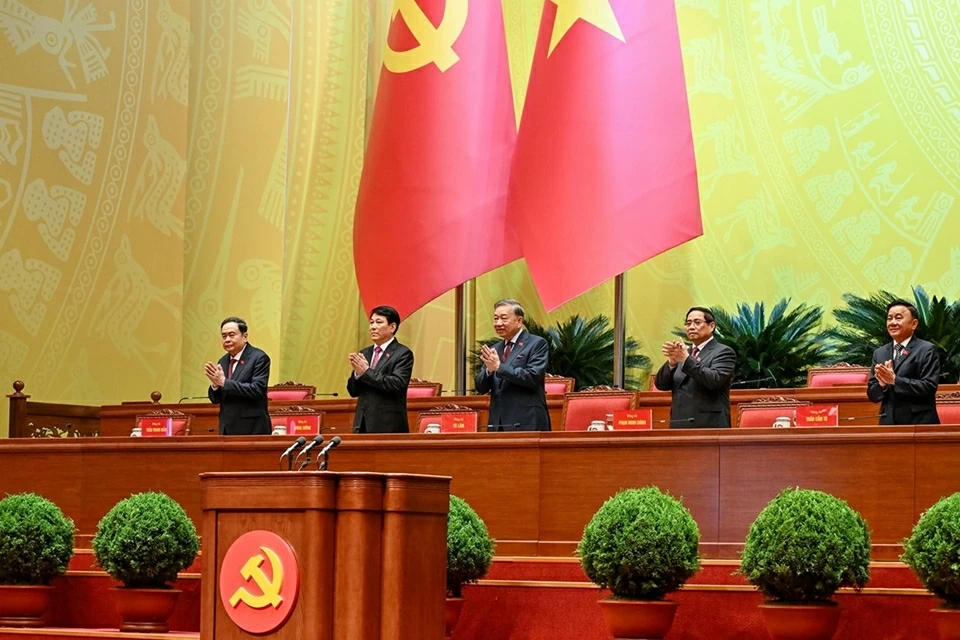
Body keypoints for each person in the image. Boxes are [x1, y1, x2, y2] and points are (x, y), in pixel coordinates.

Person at [474, 299, 551, 431]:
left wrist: (499, 367)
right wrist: (489, 371)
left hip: (527, 421)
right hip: (497, 423)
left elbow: (532, 377)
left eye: (504, 318)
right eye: (495, 318)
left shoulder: (537, 343)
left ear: (519, 321)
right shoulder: (495, 348)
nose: (498, 323)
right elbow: (481, 387)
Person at [654, 307, 737, 428]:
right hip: (679, 424)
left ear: (712, 326)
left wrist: (686, 359)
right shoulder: (684, 352)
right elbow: (661, 385)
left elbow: (714, 380)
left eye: (697, 322)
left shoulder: (724, 352)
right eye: (688, 323)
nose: (691, 327)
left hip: (708, 425)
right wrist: (672, 362)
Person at [867, 300, 940, 425]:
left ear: (914, 324)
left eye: (898, 318)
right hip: (888, 423)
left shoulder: (926, 349)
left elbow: (928, 387)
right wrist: (882, 385)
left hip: (919, 423)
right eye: (889, 318)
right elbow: (873, 395)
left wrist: (895, 380)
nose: (893, 322)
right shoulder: (880, 353)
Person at [347, 305, 414, 433]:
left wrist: (366, 372)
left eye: (379, 322)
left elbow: (396, 384)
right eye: (371, 322)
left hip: (388, 425)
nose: (373, 327)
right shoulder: (365, 353)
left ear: (392, 327)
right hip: (362, 424)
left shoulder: (403, 353)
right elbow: (353, 391)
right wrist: (357, 374)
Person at [205, 317, 271, 435]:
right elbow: (216, 399)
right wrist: (215, 385)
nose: (227, 339)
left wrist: (224, 382)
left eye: (231, 335)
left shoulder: (259, 358)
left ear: (244, 336)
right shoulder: (223, 360)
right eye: (224, 336)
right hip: (227, 428)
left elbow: (257, 390)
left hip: (252, 428)